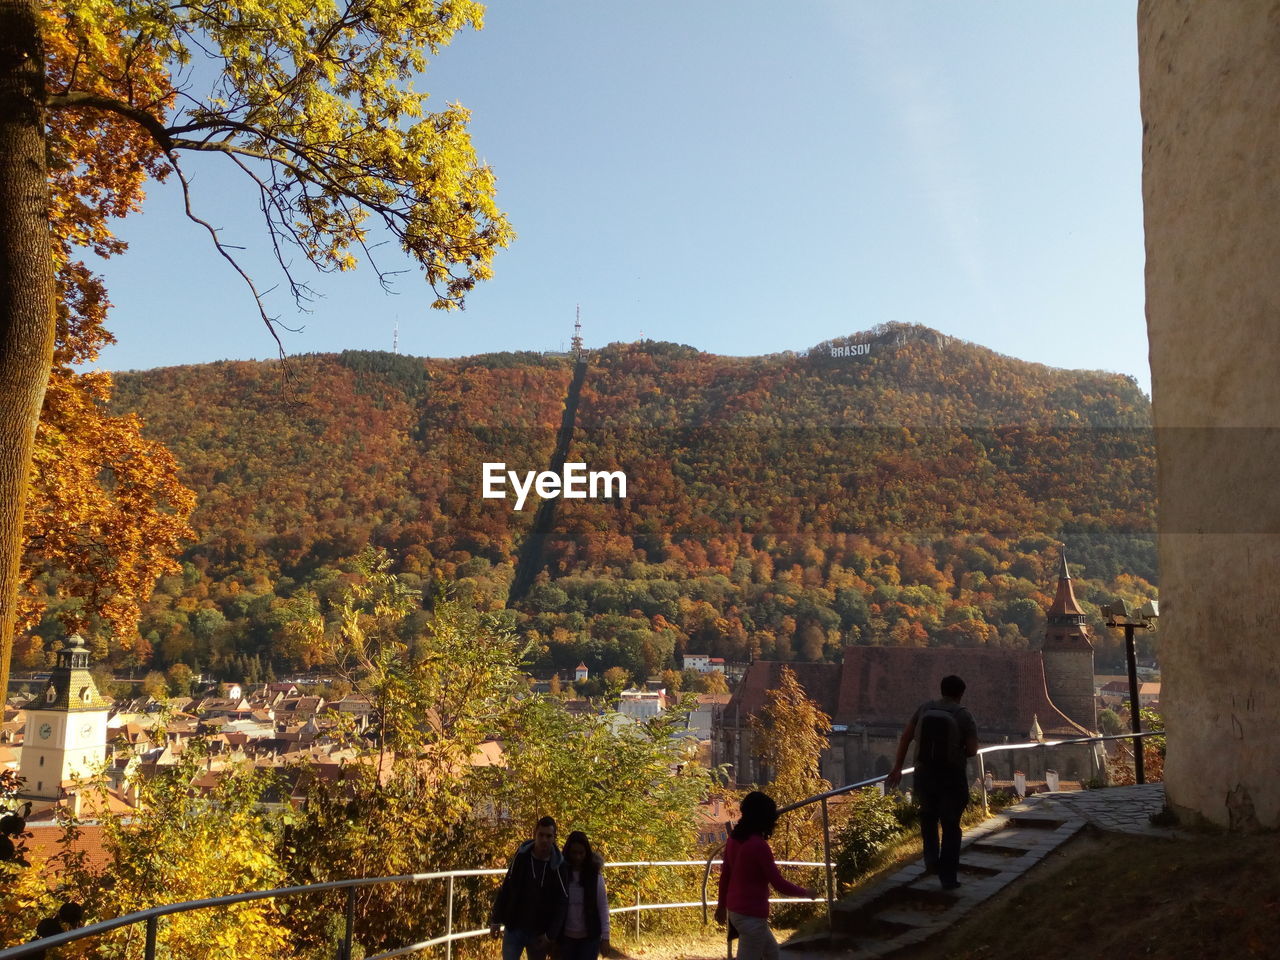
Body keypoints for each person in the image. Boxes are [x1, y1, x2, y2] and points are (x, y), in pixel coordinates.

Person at [887, 674, 979, 891]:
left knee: (928, 818)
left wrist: (898, 767)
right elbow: (973, 750)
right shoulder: (964, 715)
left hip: (924, 774)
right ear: (961, 694)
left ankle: (930, 860)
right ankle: (948, 878)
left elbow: (906, 737)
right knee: (950, 826)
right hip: (951, 777)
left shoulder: (924, 709)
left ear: (941, 690)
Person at [714, 791, 816, 960]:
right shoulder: (759, 846)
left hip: (736, 910)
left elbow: (725, 875)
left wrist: (721, 905)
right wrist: (805, 892)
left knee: (772, 954)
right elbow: (778, 883)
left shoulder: (733, 840)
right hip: (752, 914)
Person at [490, 816, 568, 960]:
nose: (544, 840)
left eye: (548, 836)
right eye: (541, 835)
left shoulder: (558, 865)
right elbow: (506, 887)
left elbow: (562, 901)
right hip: (514, 926)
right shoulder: (522, 856)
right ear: (534, 834)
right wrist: (496, 920)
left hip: (539, 932)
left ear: (554, 838)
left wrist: (550, 935)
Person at [558, 830, 610, 960]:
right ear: (568, 853)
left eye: (581, 853)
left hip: (589, 938)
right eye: (574, 853)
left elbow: (603, 907)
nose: (578, 857)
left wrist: (605, 938)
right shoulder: (560, 874)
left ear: (587, 853)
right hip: (565, 937)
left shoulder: (595, 877)